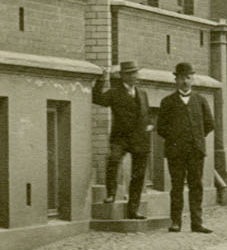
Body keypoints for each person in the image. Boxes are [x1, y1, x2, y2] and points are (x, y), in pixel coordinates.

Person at [153, 63, 214, 234]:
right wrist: (176, 140)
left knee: (196, 186)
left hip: (196, 151)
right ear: (176, 80)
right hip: (176, 152)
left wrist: (196, 138)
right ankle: (176, 222)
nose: (184, 82)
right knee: (177, 186)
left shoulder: (200, 100)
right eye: (181, 78)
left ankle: (197, 223)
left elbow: (209, 124)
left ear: (193, 79)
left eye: (188, 78)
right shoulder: (167, 102)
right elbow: (161, 128)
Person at [90, 60, 152, 218]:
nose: (133, 76)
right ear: (122, 76)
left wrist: (150, 125)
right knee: (113, 159)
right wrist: (101, 80)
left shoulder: (142, 93)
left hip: (140, 139)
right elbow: (98, 99)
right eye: (129, 73)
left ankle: (133, 210)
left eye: (135, 73)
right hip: (120, 137)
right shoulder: (114, 92)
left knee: (138, 176)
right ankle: (111, 193)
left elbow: (147, 114)